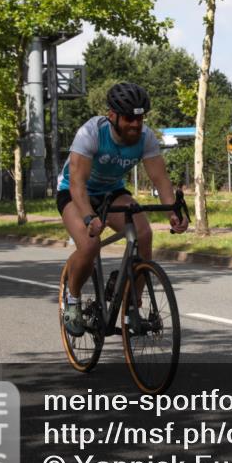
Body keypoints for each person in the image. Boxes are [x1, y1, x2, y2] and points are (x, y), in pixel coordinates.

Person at [56, 82, 188, 335]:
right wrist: (88, 217)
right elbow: (77, 185)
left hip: (112, 192)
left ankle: (132, 303)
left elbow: (160, 179)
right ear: (112, 115)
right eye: (129, 118)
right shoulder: (91, 133)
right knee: (90, 244)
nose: (136, 124)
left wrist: (172, 211)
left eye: (140, 118)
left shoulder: (146, 137)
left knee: (144, 233)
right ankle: (71, 300)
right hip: (75, 193)